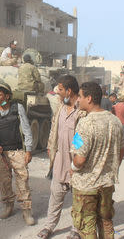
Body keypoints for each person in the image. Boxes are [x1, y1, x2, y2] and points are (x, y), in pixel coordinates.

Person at [70, 82, 124, 239]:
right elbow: (120, 152)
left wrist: (73, 166)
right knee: (106, 222)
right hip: (106, 184)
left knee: (87, 226)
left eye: (80, 96)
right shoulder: (115, 122)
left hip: (86, 186)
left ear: (89, 98)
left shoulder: (85, 124)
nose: (77, 100)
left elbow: (79, 159)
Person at [37, 75, 84, 239]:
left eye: (61, 89)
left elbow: (82, 136)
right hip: (59, 161)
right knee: (55, 195)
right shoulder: (61, 108)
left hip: (77, 163)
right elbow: (54, 129)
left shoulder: (82, 111)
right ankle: (49, 226)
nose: (58, 92)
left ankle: (76, 229)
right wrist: (51, 146)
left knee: (78, 199)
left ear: (69, 91)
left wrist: (76, 160)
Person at [0, 79, 35, 225]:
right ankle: (8, 206)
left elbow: (27, 129)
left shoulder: (17, 108)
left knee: (22, 180)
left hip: (17, 151)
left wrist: (28, 150)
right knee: (3, 181)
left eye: (0, 95)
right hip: (2, 153)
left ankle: (26, 211)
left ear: (7, 96)